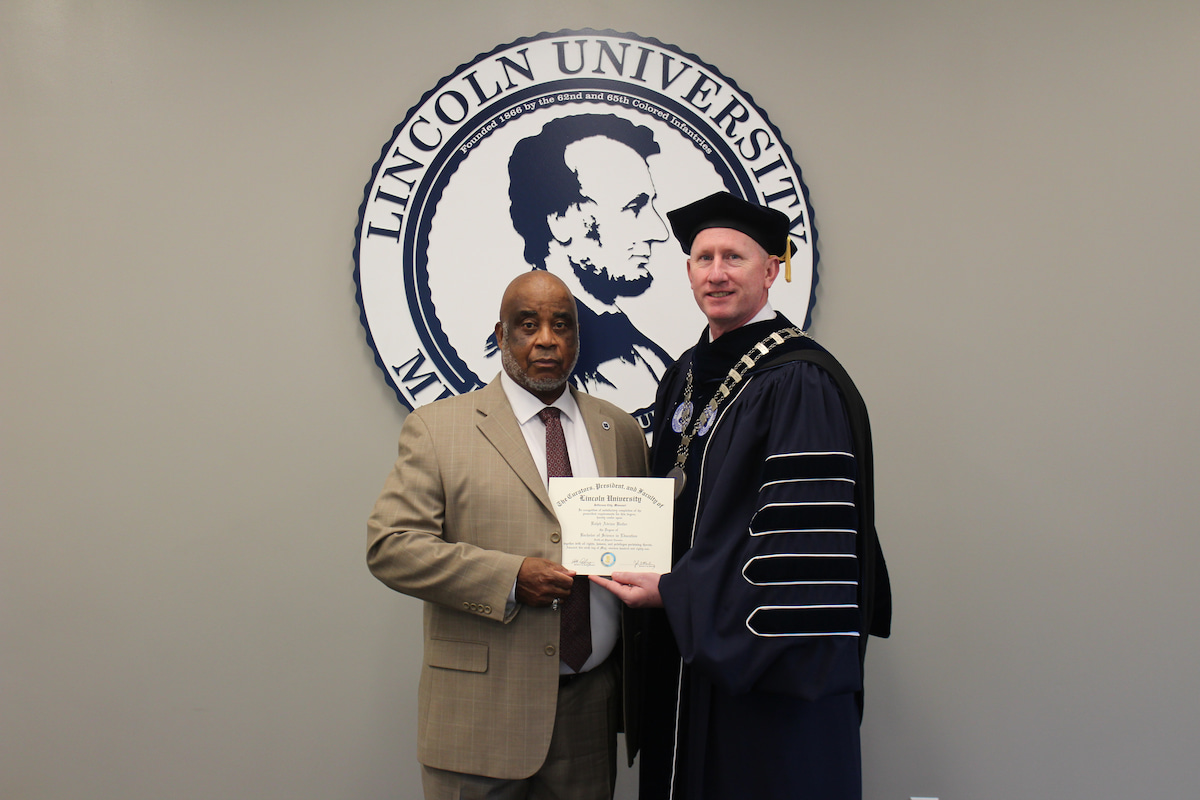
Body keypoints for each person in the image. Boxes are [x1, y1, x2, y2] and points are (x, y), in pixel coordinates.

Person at [592, 192, 892, 799]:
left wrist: (676, 591)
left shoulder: (799, 381)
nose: (717, 273)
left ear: (770, 270)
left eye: (734, 257)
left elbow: (797, 554)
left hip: (759, 681)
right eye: (704, 258)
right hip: (687, 649)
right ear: (688, 271)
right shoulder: (683, 373)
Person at [368, 271, 650, 800]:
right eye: (528, 324)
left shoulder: (621, 431)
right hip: (480, 719)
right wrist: (511, 577)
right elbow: (392, 545)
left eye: (562, 324)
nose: (547, 339)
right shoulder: (438, 429)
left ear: (577, 337)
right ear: (501, 336)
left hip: (589, 717)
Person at [502, 113, 674, 404]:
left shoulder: (653, 357)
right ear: (563, 220)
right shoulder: (511, 369)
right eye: (634, 207)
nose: (660, 232)